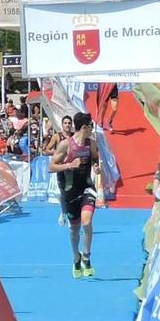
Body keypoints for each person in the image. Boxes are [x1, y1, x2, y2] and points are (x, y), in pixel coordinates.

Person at [53, 112, 101, 278]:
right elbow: (51, 167)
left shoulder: (92, 144)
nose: (92, 130)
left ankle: (86, 256)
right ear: (84, 127)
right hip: (70, 192)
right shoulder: (66, 145)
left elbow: (95, 159)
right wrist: (68, 165)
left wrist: (96, 167)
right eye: (91, 127)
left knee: (87, 222)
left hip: (87, 188)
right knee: (74, 230)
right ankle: (76, 257)